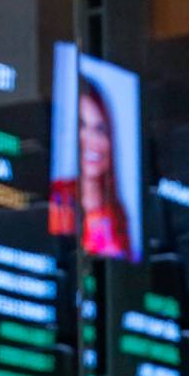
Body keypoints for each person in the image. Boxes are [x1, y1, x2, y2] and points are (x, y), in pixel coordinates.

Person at [79, 80, 131, 260]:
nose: (92, 140)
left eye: (100, 129)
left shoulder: (117, 210)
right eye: (82, 126)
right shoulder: (60, 201)